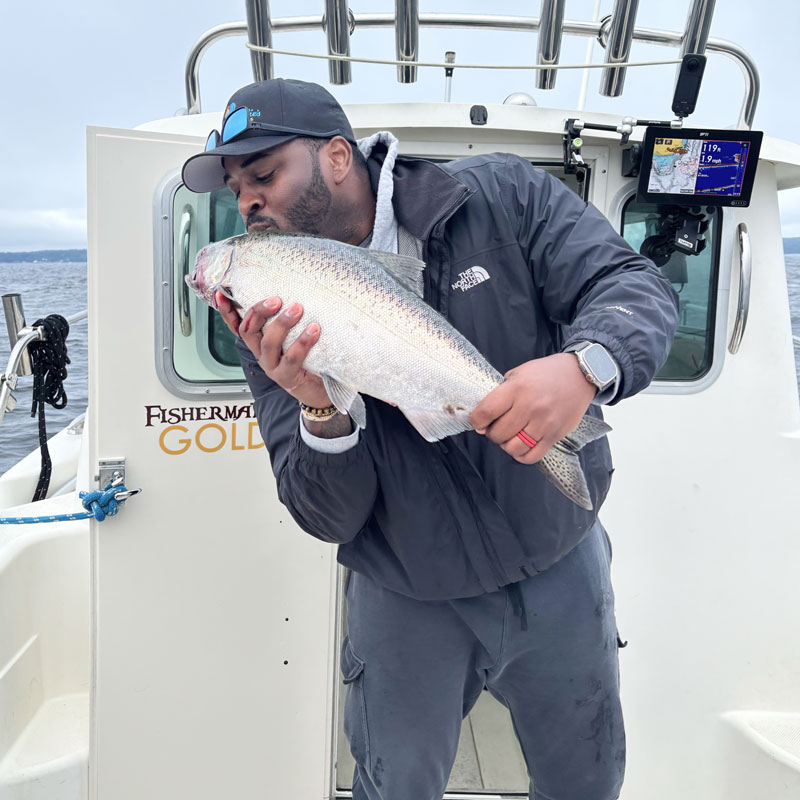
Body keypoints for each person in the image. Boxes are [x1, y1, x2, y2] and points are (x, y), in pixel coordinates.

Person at [182, 78, 678, 800]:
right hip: (406, 589)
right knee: (394, 786)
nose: (248, 199)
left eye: (263, 174)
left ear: (339, 158)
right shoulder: (270, 319)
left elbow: (630, 284)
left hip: (558, 559)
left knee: (586, 777)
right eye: (236, 188)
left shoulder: (499, 195)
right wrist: (320, 411)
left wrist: (584, 366)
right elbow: (327, 516)